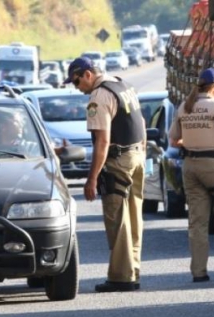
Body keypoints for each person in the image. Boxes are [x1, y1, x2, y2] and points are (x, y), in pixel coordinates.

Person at [65, 56, 146, 292]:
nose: (77, 87)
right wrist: (140, 152)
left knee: (117, 220)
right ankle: (133, 269)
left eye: (76, 81)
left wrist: (91, 179)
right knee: (134, 218)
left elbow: (102, 141)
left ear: (88, 74)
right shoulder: (123, 84)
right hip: (136, 155)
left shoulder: (99, 96)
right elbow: (140, 122)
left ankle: (122, 277)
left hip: (118, 161)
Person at [168, 67, 214, 282]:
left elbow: (174, 140)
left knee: (197, 221)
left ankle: (198, 272)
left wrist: (194, 140)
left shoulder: (185, 107)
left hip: (190, 166)